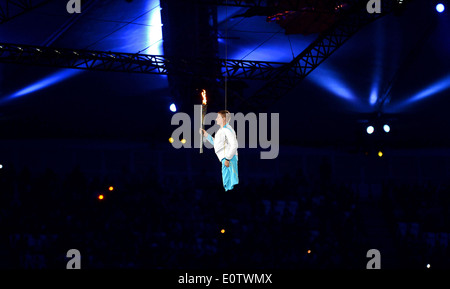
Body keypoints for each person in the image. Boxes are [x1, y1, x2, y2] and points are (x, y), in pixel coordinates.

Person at [200, 110, 239, 191]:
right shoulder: (221, 131)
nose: (216, 119)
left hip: (229, 158)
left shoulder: (228, 130)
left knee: (231, 184)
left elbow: (234, 145)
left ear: (223, 118)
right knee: (227, 185)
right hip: (225, 159)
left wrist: (228, 158)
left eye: (218, 117)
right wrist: (206, 135)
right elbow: (217, 144)